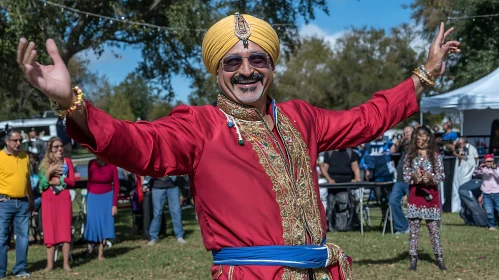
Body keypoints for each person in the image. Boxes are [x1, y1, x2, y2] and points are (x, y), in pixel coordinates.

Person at [17, 13, 459, 279]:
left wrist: (424, 76)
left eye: (257, 59)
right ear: (217, 71)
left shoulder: (300, 117)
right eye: (233, 61)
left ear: (271, 66)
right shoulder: (200, 126)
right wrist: (72, 104)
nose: (246, 70)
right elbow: (140, 144)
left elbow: (366, 119)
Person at [403, 126, 446, 271]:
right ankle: (413, 259)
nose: (420, 139)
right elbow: (405, 176)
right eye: (417, 136)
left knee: (434, 230)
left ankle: (439, 258)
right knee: (414, 231)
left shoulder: (436, 156)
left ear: (428, 137)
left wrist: (430, 177)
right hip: (415, 197)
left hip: (431, 198)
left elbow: (441, 176)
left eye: (423, 136)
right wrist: (413, 177)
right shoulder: (409, 157)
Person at [38, 137, 75, 272]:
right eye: (56, 147)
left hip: (63, 199)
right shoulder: (44, 164)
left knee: (65, 229)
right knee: (50, 230)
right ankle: (50, 265)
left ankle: (65, 263)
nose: (60, 149)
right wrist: (49, 172)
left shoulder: (68, 162)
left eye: (61, 146)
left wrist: (58, 180)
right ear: (50, 149)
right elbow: (42, 185)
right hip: (48, 200)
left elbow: (72, 181)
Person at [0, 130, 34, 278]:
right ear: (7, 141)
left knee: (23, 237)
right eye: (15, 140)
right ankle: (1, 271)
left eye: (20, 140)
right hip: (4, 203)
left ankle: (20, 269)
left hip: (23, 203)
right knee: (1, 239)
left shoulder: (25, 157)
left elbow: (27, 181)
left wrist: (31, 200)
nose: (18, 143)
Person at [84, 157, 120, 260]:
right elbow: (89, 181)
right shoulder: (91, 163)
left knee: (105, 223)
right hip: (93, 197)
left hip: (107, 197)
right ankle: (90, 246)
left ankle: (101, 252)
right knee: (93, 222)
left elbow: (116, 185)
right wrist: (88, 197)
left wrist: (114, 204)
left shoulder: (112, 165)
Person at [389, 126, 414, 234]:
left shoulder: (418, 144)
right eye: (404, 133)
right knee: (393, 201)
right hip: (400, 178)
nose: (406, 134)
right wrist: (400, 140)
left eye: (408, 132)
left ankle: (413, 227)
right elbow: (391, 151)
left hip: (412, 179)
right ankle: (402, 227)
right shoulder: (402, 144)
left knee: (413, 203)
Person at [147, 176, 186, 245]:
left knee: (176, 211)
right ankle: (153, 237)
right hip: (157, 186)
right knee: (157, 213)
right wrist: (145, 184)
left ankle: (179, 236)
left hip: (173, 185)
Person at [452, 137, 479, 212]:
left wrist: (475, 169)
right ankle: (455, 208)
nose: (459, 144)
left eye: (460, 143)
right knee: (456, 189)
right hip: (459, 170)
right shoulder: (459, 148)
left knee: (464, 189)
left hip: (467, 171)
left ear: (464, 142)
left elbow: (473, 158)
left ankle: (464, 207)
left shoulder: (471, 148)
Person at [474, 154, 499, 230]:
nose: (489, 163)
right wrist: (480, 167)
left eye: (490, 161)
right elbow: (475, 174)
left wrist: (494, 169)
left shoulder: (497, 168)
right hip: (486, 193)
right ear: (485, 161)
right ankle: (491, 226)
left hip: (497, 192)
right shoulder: (483, 169)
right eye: (487, 161)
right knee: (489, 211)